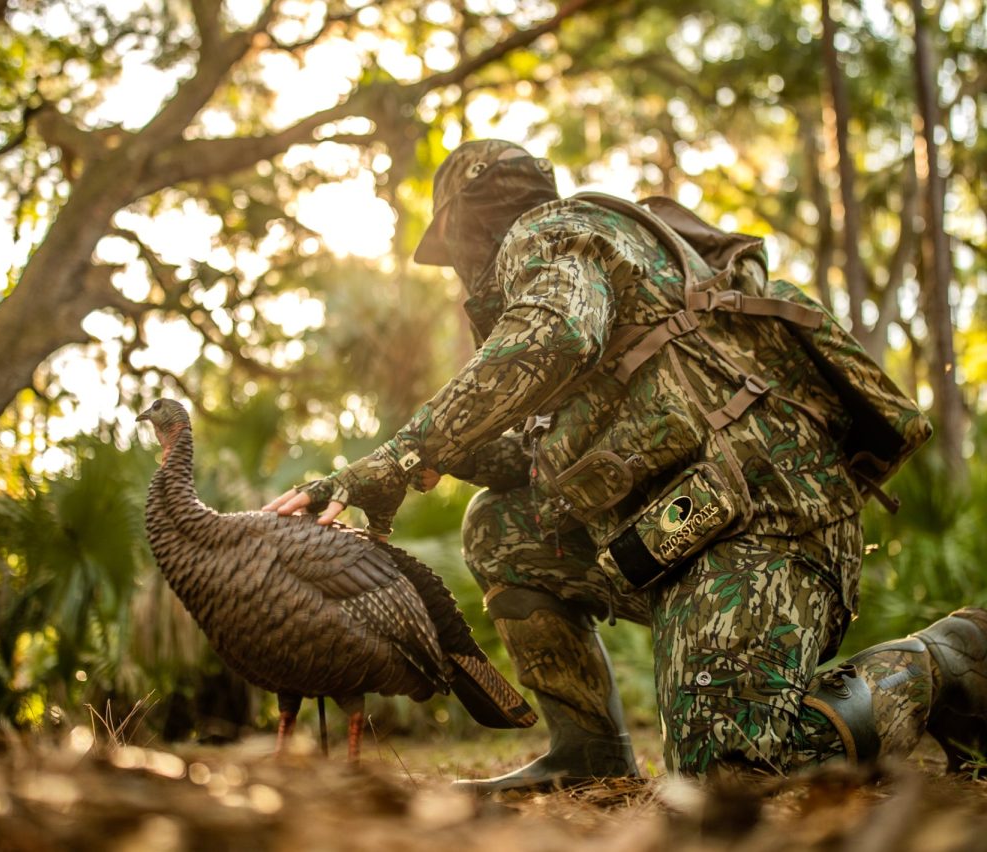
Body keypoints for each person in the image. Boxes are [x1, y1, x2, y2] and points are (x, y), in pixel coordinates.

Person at [264, 139, 987, 790]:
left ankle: (943, 661)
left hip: (768, 518)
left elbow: (555, 337)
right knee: (503, 527)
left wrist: (404, 453)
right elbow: (547, 458)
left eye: (450, 249)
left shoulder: (549, 233)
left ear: (467, 223)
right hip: (679, 525)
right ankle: (588, 751)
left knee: (730, 778)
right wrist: (449, 458)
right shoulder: (597, 274)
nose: (456, 274)